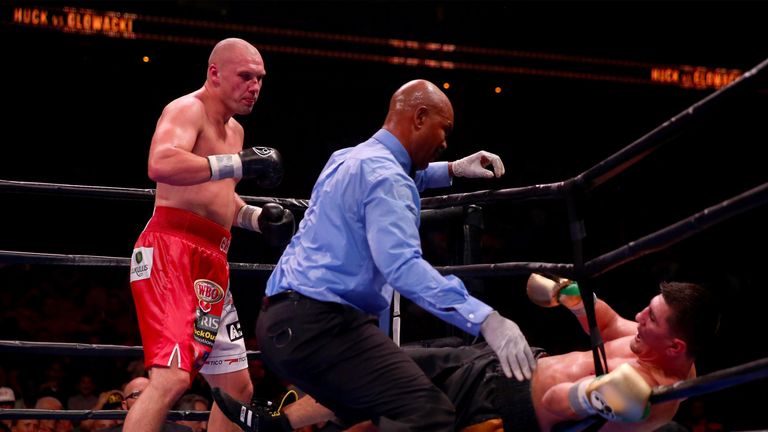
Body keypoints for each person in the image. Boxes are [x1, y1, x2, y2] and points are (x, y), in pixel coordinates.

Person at [216, 79, 537, 430]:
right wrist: (487, 320)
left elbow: (393, 175)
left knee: (419, 372)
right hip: (322, 327)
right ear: (419, 118)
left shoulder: (350, 158)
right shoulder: (386, 177)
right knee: (429, 412)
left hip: (283, 323)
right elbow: (403, 267)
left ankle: (277, 426)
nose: (445, 142)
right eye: (443, 129)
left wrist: (451, 169)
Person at [214, 277, 720, 432]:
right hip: (501, 365)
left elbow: (566, 403)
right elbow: (605, 322)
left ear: (675, 346)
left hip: (503, 412)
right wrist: (570, 295)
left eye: (651, 318)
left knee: (392, 422)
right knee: (384, 370)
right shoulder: (643, 337)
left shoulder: (657, 395)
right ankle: (279, 425)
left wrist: (591, 395)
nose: (640, 317)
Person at [126, 37, 295, 432]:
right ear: (214, 74)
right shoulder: (188, 109)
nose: (254, 87)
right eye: (245, 76)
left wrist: (257, 217)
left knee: (236, 385)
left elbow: (220, 199)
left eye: (259, 79)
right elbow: (161, 162)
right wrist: (236, 162)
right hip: (170, 252)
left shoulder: (234, 132)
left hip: (211, 260)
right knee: (171, 378)